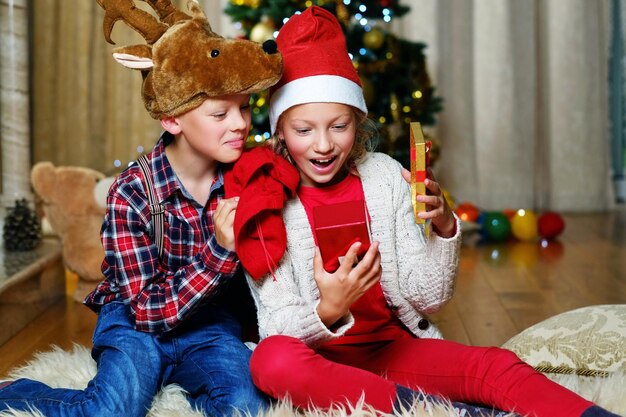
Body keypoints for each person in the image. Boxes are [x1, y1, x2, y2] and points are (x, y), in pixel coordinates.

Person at [242, 6, 620, 417]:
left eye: (339, 125)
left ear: (358, 120)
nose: (323, 145)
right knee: (269, 360)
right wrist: (329, 309)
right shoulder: (265, 197)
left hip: (392, 353)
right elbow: (274, 326)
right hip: (318, 364)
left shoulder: (385, 177)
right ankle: (431, 411)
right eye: (303, 130)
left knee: (493, 365)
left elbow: (429, 296)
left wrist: (442, 228)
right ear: (279, 128)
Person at [0, 1, 283, 416]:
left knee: (246, 405)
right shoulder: (132, 193)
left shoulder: (244, 174)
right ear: (172, 119)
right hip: (137, 323)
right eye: (220, 112)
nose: (239, 124)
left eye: (243, 108)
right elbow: (147, 310)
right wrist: (220, 252)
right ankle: (13, 391)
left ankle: (183, 383)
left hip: (207, 322)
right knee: (110, 409)